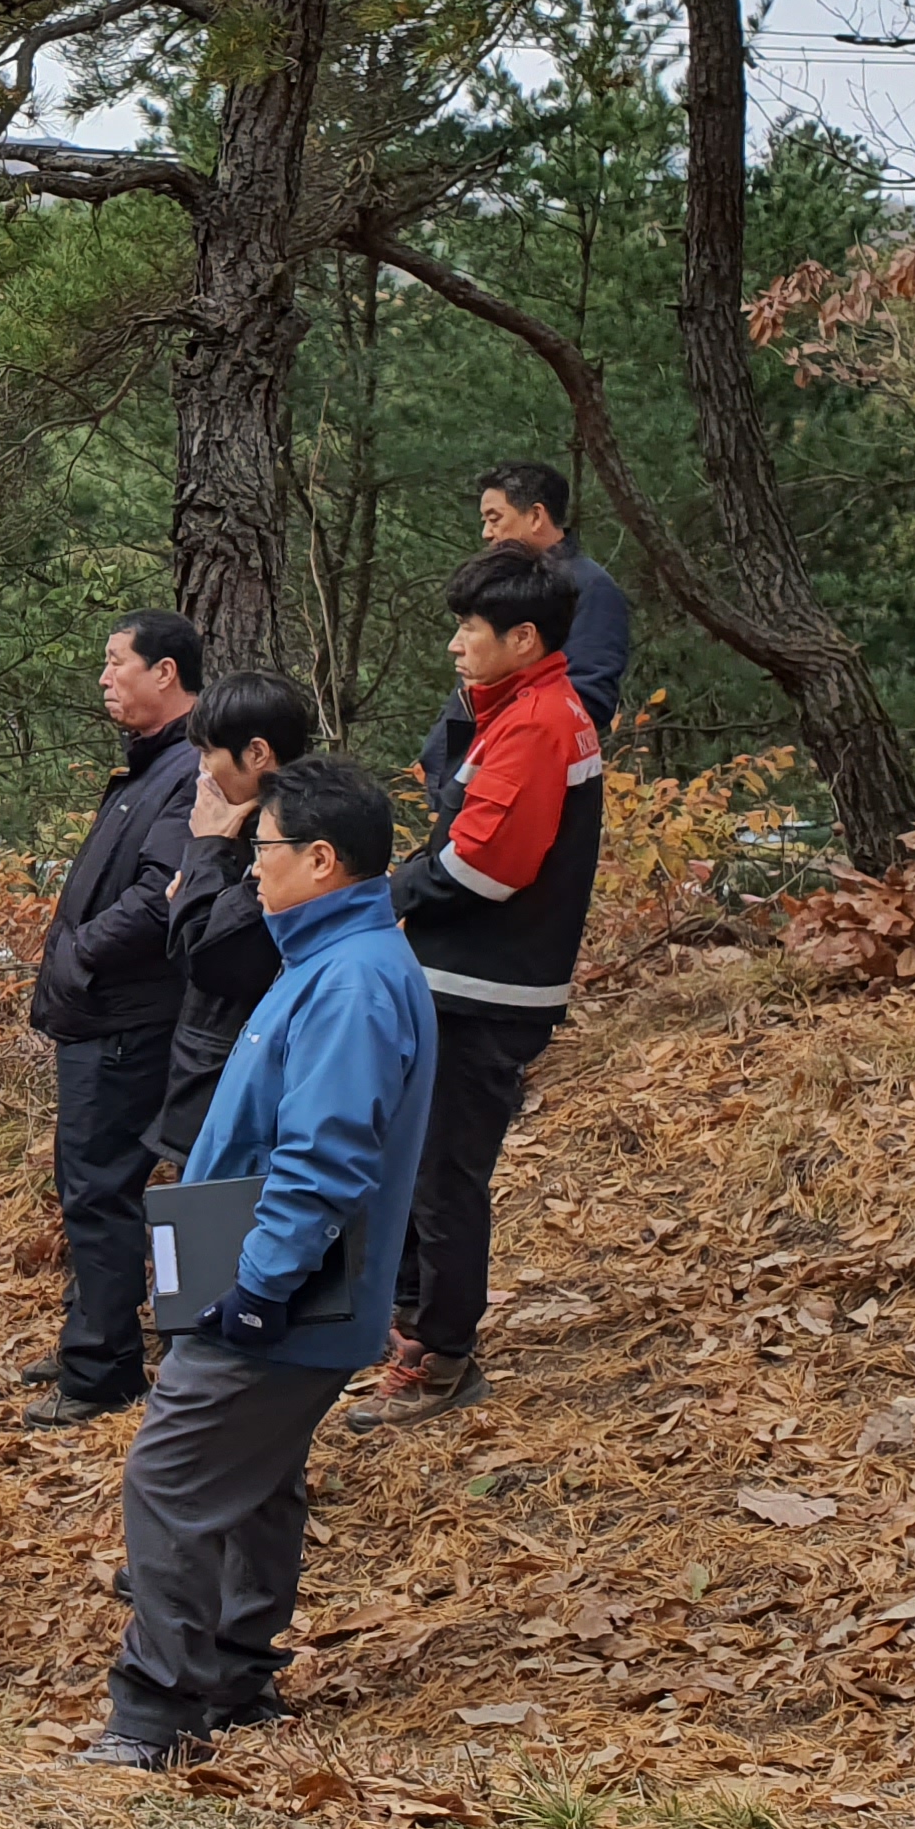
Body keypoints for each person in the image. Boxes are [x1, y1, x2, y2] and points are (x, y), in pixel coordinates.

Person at [79, 755, 436, 1767]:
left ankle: (156, 1710)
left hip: (282, 1292)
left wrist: (257, 1290)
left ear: (321, 860)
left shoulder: (353, 982)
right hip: (263, 1271)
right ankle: (235, 1676)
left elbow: (324, 1157)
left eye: (263, 854)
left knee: (171, 1478)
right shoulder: (327, 962)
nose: (251, 875)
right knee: (260, 1478)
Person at [351, 543, 606, 1431]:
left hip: (486, 987)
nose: (456, 646)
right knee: (418, 1161)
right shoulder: (515, 709)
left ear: (525, 638)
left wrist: (371, 902)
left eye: (470, 630)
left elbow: (482, 867)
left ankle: (442, 1355)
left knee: (444, 1172)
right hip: (467, 980)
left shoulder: (539, 721)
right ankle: (414, 1332)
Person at [21, 612, 204, 1429]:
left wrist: (77, 954)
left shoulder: (188, 768)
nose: (103, 677)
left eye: (114, 661)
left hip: (127, 1018)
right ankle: (89, 1337)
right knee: (92, 1186)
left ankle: (102, 1368)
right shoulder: (151, 768)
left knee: (103, 1187)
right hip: (106, 1015)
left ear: (164, 672)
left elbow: (162, 894)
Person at [156, 670, 321, 1168]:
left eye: (209, 755)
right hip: (219, 1067)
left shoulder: (287, 834)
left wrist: (205, 853)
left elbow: (208, 953)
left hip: (237, 1078)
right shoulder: (248, 825)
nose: (202, 772)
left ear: (256, 754)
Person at [416, 460, 632, 800]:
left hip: (514, 782)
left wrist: (506, 746)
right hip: (463, 776)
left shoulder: (591, 589)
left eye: (494, 518)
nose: (486, 533)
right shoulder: (506, 583)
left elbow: (589, 696)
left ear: (535, 516)